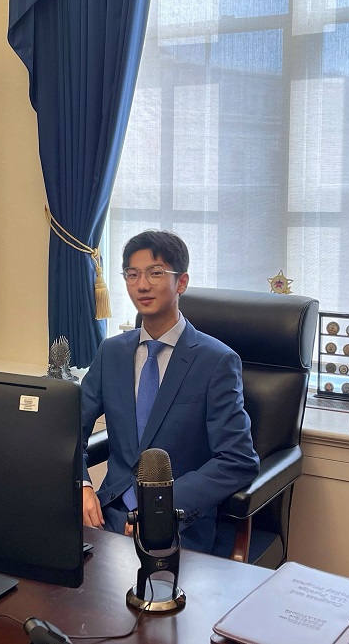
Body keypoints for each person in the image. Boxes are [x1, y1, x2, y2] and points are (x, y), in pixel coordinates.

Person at [80, 230, 259, 554]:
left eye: (155, 273)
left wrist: (160, 507)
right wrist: (81, 484)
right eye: (132, 274)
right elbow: (67, 429)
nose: (142, 285)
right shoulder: (111, 352)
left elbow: (238, 460)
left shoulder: (216, 361)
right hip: (105, 517)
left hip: (178, 525)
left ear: (182, 282)